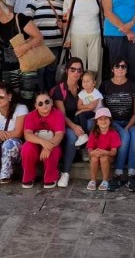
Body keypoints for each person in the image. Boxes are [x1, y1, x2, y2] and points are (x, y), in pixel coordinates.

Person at [0, 0, 45, 100]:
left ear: (0, 3)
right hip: (8, 69)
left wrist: (26, 46)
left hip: (28, 65)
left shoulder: (19, 18)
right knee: (11, 100)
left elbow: (39, 37)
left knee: (27, 98)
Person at [99, 58, 135, 192]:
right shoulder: (105, 86)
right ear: (112, 69)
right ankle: (118, 174)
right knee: (125, 137)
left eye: (124, 66)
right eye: (117, 66)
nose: (120, 69)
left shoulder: (133, 86)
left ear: (127, 69)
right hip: (113, 121)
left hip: (130, 121)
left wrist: (127, 127)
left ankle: (131, 175)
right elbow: (103, 110)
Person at [26, 0, 64, 93]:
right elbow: (26, 19)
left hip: (56, 44)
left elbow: (66, 20)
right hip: (39, 45)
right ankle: (41, 98)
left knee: (52, 74)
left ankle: (51, 98)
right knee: (40, 74)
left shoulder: (62, 0)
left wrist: (62, 25)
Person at [63, 0, 104, 76]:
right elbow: (65, 18)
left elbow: (103, 15)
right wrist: (67, 38)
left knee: (95, 66)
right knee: (77, 66)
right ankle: (79, 86)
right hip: (76, 35)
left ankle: (94, 86)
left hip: (96, 34)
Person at [51, 57, 86, 188]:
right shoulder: (59, 90)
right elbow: (61, 115)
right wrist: (74, 126)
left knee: (93, 124)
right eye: (73, 69)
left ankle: (85, 150)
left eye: (79, 70)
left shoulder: (84, 87)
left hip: (79, 120)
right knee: (72, 136)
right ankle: (65, 172)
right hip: (64, 123)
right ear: (66, 71)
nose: (76, 73)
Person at [21, 92, 66, 189]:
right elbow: (28, 135)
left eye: (47, 102)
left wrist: (48, 146)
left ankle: (50, 178)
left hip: (53, 144)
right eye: (40, 103)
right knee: (26, 147)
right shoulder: (30, 116)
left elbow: (59, 135)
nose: (44, 105)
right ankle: (28, 177)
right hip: (36, 145)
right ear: (36, 106)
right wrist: (43, 142)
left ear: (52, 102)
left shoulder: (58, 114)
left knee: (53, 150)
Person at [86, 107, 121, 191]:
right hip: (96, 155)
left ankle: (105, 180)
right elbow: (89, 148)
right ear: (97, 122)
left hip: (108, 156)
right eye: (100, 119)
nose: (103, 121)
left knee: (103, 158)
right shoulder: (94, 133)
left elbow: (114, 152)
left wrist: (105, 152)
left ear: (110, 121)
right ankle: (93, 180)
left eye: (106, 118)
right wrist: (92, 152)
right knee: (94, 158)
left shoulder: (113, 134)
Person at [76, 70, 103, 135]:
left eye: (88, 81)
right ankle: (78, 132)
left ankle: (84, 134)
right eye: (84, 81)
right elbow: (79, 106)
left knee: (81, 114)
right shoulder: (82, 93)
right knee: (76, 116)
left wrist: (82, 110)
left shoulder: (96, 93)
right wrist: (87, 106)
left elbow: (92, 107)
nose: (85, 83)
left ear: (94, 83)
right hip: (87, 112)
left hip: (95, 113)